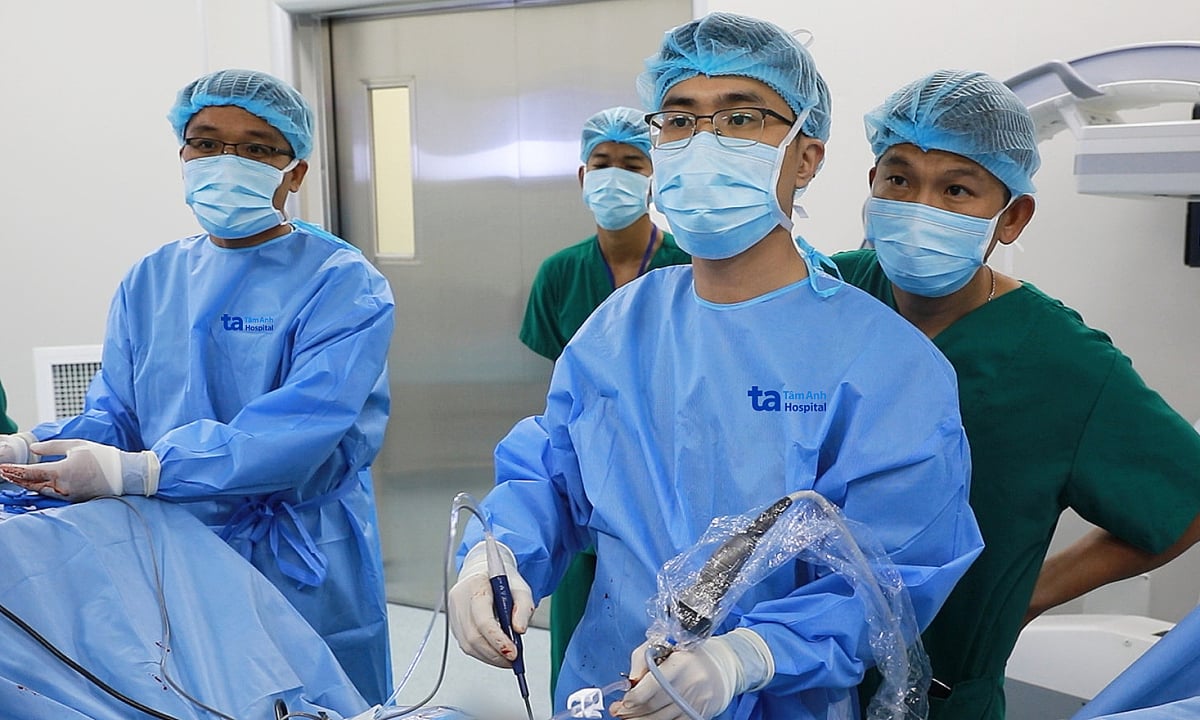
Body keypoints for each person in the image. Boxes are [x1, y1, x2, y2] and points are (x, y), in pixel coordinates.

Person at [447, 13, 985, 720]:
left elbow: (891, 574)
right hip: (610, 688)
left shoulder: (887, 365)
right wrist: (497, 557)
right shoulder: (620, 326)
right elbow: (554, 475)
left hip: (782, 701)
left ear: (806, 155)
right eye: (677, 120)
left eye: (741, 117)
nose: (704, 143)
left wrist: (745, 657)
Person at [0, 69, 395, 705]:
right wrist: (30, 450)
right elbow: (116, 416)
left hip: (292, 552)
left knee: (311, 702)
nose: (226, 161)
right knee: (192, 696)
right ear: (182, 155)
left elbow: (301, 432)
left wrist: (142, 470)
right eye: (206, 142)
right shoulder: (151, 278)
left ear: (293, 171)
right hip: (165, 547)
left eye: (257, 147)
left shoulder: (342, 282)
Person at [831, 69, 1200, 720]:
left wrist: (1028, 593)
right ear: (872, 185)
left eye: (956, 189)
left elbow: (1188, 500)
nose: (921, 207)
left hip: (936, 702)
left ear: (1012, 215)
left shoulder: (1062, 363)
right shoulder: (827, 295)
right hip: (770, 678)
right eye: (899, 178)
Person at [520, 105, 691, 697]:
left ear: (655, 175)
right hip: (583, 481)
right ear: (582, 175)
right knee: (580, 658)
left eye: (632, 162)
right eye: (603, 162)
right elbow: (556, 394)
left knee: (670, 652)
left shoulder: (688, 268)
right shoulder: (559, 274)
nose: (615, 175)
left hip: (670, 487)